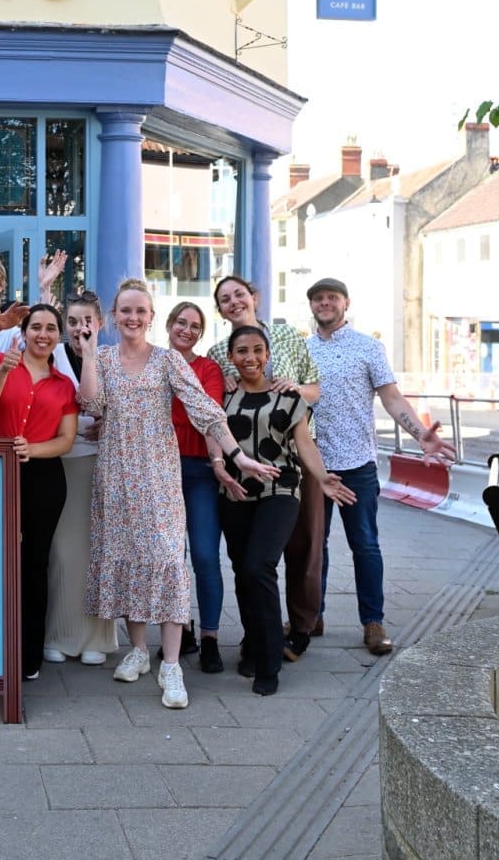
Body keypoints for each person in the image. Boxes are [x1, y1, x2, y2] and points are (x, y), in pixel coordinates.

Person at [76, 278, 273, 710]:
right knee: (127, 558)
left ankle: (171, 664)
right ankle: (138, 651)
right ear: (114, 315)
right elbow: (90, 405)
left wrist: (237, 457)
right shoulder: (104, 358)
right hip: (115, 476)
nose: (132, 318)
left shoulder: (167, 362)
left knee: (166, 561)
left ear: (151, 317)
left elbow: (205, 409)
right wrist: (89, 354)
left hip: (160, 476)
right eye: (124, 311)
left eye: (140, 311)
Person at [304, 277, 455, 656]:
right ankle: (311, 616)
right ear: (311, 306)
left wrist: (421, 434)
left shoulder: (369, 348)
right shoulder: (302, 351)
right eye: (319, 299)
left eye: (332, 298)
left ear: (345, 303)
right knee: (312, 546)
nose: (325, 304)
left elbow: (391, 397)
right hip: (315, 464)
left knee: (365, 546)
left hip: (357, 464)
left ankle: (373, 621)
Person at [219, 325, 356, 695]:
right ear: (231, 358)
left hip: (279, 490)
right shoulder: (223, 396)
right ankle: (252, 643)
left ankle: (268, 659)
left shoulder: (290, 398)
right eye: (242, 351)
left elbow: (304, 443)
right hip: (234, 490)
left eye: (258, 350)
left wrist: (323, 477)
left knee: (258, 565)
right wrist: (221, 468)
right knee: (242, 571)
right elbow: (213, 437)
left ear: (267, 355)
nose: (251, 357)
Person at [209, 274, 326, 662]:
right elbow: (211, 406)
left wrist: (294, 388)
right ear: (221, 309)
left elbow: (315, 390)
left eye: (239, 294)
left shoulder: (289, 337)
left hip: (292, 457)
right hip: (241, 470)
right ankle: (259, 635)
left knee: (304, 545)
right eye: (225, 299)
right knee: (253, 561)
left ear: (254, 297)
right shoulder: (215, 353)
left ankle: (302, 626)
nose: (234, 302)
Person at [0, 304, 80, 679]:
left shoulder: (64, 385)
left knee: (34, 563)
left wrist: (29, 449)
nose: (43, 334)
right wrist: (5, 368)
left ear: (58, 336)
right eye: (36, 326)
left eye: (51, 328)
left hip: (43, 478)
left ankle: (28, 654)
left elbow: (66, 440)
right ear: (24, 331)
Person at [42, 291, 118, 666]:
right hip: (57, 461)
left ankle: (97, 638)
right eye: (71, 321)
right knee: (61, 550)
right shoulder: (50, 354)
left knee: (95, 550)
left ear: (100, 323)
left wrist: (110, 425)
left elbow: (113, 407)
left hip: (99, 465)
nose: (79, 328)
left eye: (86, 320)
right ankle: (58, 632)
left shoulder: (111, 359)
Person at [165, 301, 227, 674]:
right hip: (162, 471)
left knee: (204, 556)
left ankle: (210, 637)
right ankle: (179, 630)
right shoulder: (154, 363)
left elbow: (208, 410)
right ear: (169, 325)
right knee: (171, 560)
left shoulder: (208, 368)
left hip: (201, 469)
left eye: (195, 326)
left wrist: (219, 462)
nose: (187, 330)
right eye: (181, 323)